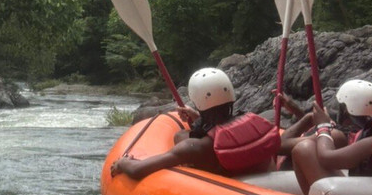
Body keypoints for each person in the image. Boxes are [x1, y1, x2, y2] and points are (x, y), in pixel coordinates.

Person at [110, 67, 280, 179]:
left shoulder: (195, 148)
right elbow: (224, 131)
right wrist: (199, 119)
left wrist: (122, 162)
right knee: (180, 135)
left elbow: (138, 170)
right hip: (264, 188)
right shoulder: (255, 125)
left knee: (180, 137)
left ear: (198, 102)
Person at [289, 78, 372, 194]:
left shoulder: (340, 135)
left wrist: (321, 125)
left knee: (303, 149)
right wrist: (296, 110)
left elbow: (278, 145)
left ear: (343, 110)